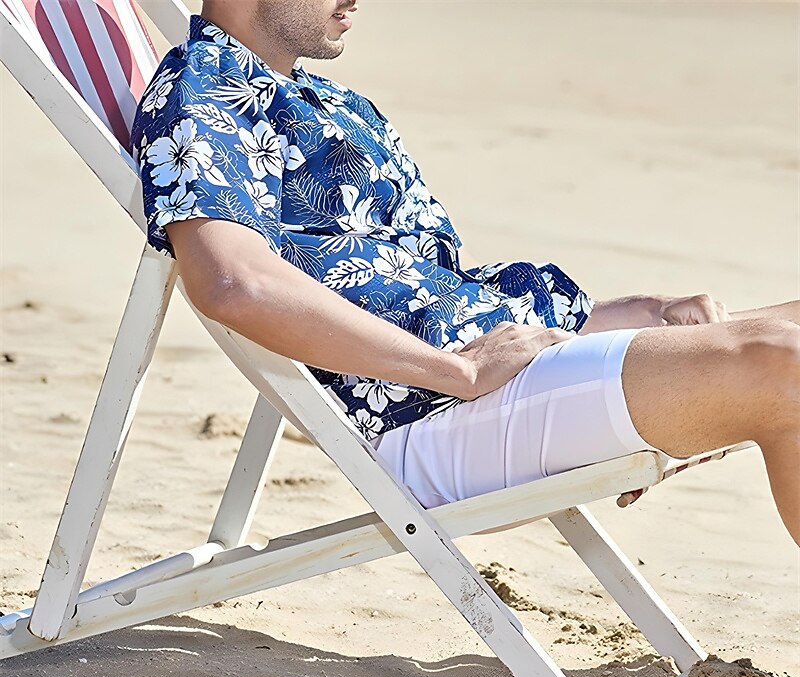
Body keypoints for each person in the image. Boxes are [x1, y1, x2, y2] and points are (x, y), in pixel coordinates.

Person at [131, 0, 799, 543]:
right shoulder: (207, 89)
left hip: (503, 366)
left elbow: (443, 286)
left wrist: (639, 315)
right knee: (782, 366)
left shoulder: (329, 101)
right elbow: (234, 284)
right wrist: (459, 373)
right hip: (431, 412)